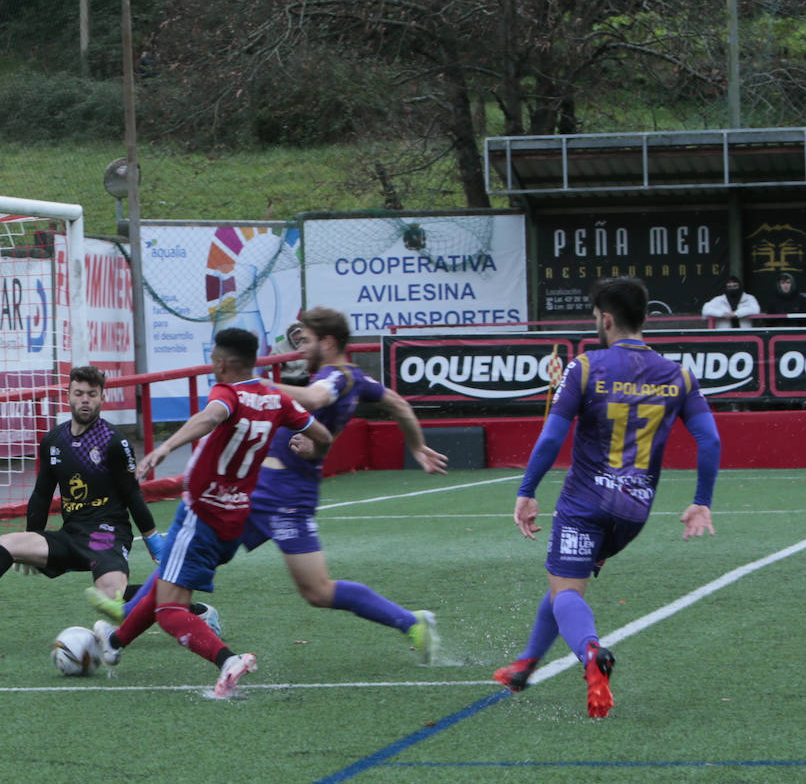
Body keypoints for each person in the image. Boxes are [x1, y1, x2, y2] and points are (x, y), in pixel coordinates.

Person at [495, 277, 721, 718]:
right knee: (565, 584)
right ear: (645, 319)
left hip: (585, 503)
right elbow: (709, 441)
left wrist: (527, 490)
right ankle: (525, 666)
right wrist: (702, 499)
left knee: (567, 592)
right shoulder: (679, 375)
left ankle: (591, 654)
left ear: (606, 318)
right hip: (634, 512)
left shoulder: (586, 366)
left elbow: (551, 437)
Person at [87, 327, 333, 699]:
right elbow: (324, 438)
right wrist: (309, 451)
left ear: (220, 364)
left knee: (170, 610)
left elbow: (212, 416)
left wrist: (165, 447)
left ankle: (228, 661)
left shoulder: (227, 393)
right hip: (234, 522)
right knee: (166, 574)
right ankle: (116, 642)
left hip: (201, 515)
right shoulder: (276, 397)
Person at [245, 306, 449, 663]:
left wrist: (256, 384)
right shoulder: (356, 378)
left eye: (306, 341)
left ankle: (411, 622)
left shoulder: (337, 377)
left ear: (328, 341)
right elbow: (399, 404)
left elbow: (316, 398)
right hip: (267, 487)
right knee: (196, 551)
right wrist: (416, 446)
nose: (300, 349)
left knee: (318, 591)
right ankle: (123, 626)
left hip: (288, 492)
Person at [0, 365, 164, 612]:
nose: (85, 400)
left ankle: (186, 605)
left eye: (92, 394)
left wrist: (153, 541)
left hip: (107, 536)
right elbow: (41, 494)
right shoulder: (54, 440)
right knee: (8, 542)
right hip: (72, 534)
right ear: (68, 397)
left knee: (111, 597)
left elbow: (132, 494)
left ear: (102, 398)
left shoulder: (114, 442)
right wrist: (34, 538)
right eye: (79, 394)